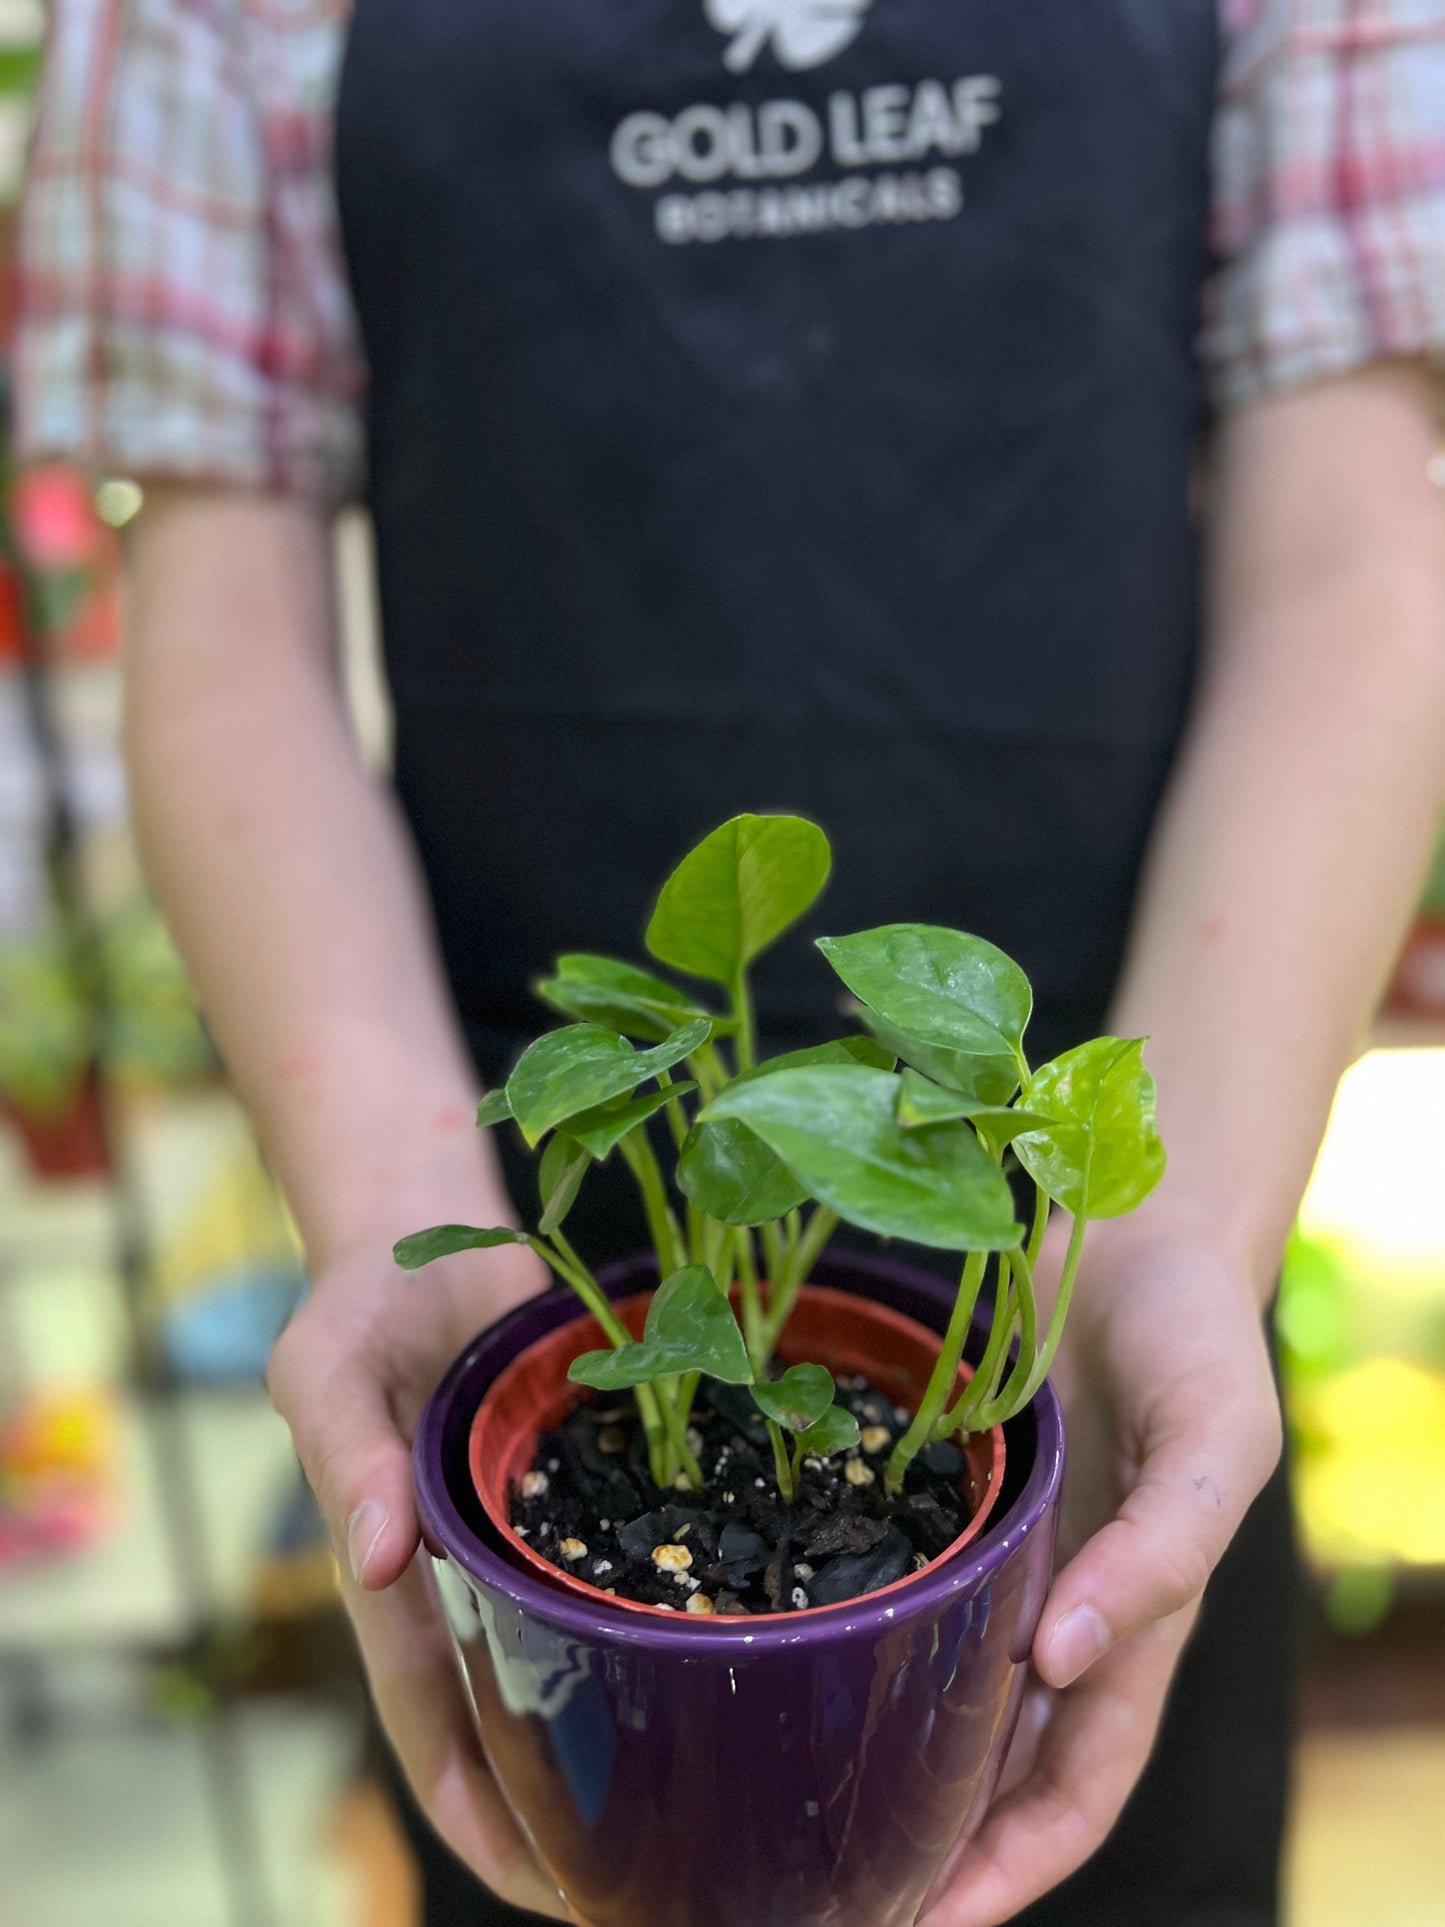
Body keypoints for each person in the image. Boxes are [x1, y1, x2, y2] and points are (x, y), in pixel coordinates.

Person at [17, 2, 1445, 1922]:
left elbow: (1357, 562)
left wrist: (1172, 1235)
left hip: (1098, 1326)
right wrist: (388, 1207)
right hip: (526, 1293)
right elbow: (225, 630)